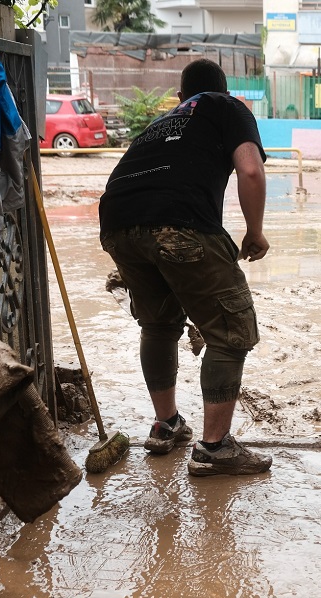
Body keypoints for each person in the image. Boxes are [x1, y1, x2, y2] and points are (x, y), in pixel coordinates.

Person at [98, 59, 271, 476]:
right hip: (178, 221)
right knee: (232, 331)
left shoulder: (162, 122)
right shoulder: (227, 107)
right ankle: (214, 448)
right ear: (227, 91)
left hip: (117, 223)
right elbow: (250, 168)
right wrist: (255, 232)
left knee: (157, 325)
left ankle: (167, 426)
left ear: (180, 98)